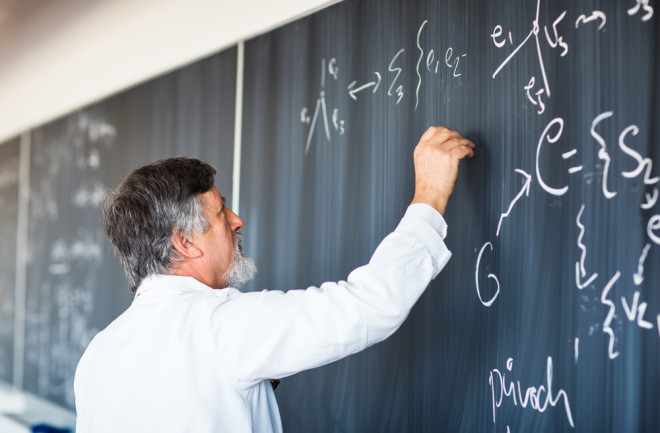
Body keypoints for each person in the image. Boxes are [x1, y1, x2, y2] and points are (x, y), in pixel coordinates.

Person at [73, 126, 475, 432]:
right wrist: (430, 194)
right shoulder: (221, 325)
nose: (237, 221)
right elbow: (368, 305)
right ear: (184, 242)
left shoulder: (97, 353)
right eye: (220, 213)